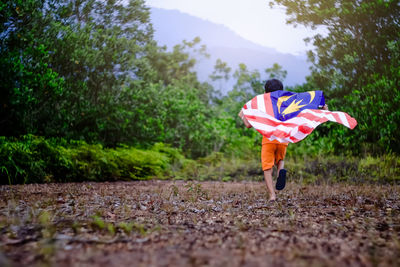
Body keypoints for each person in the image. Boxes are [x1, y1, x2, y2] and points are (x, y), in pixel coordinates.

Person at [238, 79, 328, 201]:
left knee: (267, 168)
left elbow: (248, 124)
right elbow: (303, 108)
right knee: (280, 160)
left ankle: (272, 195)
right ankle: (281, 171)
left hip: (269, 139)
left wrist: (243, 115)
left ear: (266, 92)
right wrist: (322, 109)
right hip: (282, 139)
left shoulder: (262, 105)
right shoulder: (287, 103)